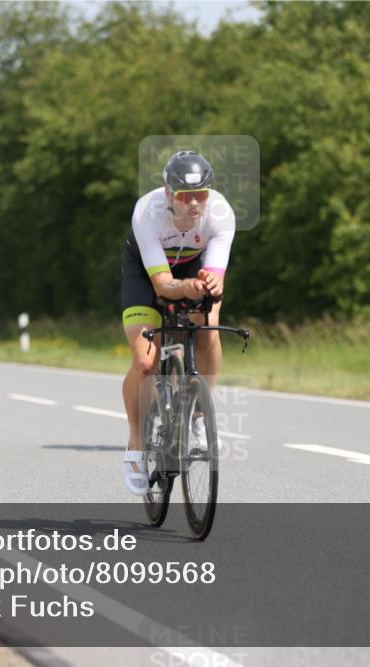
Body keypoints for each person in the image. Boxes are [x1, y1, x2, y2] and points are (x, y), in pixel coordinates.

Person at [120, 150, 235, 495]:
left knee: (208, 325)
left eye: (201, 194)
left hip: (191, 266)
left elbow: (216, 274)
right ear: (169, 194)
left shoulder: (221, 213)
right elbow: (162, 286)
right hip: (146, 272)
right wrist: (183, 287)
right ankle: (137, 443)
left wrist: (209, 284)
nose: (194, 204)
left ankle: (201, 412)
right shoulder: (147, 211)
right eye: (185, 196)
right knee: (144, 362)